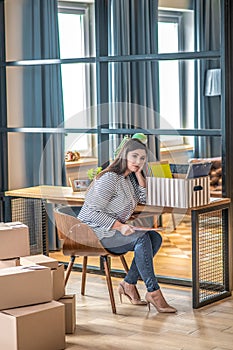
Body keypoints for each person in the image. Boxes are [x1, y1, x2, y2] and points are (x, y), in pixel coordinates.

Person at [78, 138, 177, 313]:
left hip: (111, 230)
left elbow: (144, 199)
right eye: (134, 156)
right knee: (142, 239)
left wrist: (139, 175)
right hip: (95, 232)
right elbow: (89, 213)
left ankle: (129, 284)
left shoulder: (129, 178)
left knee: (154, 237)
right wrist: (119, 225)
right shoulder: (110, 178)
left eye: (142, 158)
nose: (138, 161)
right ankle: (153, 292)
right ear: (124, 155)